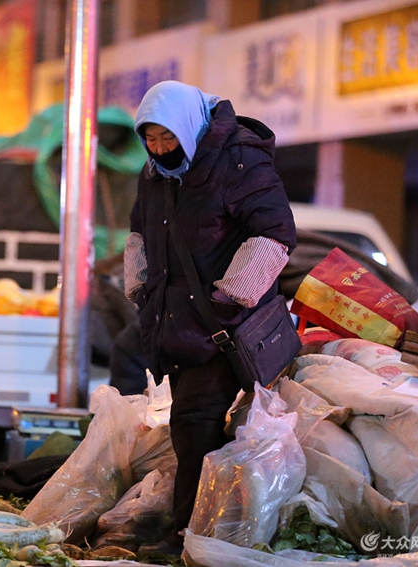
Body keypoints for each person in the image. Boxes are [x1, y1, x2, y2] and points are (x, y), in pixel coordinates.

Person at [124, 81, 297, 553]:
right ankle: (212, 529)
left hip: (227, 324)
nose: (160, 149)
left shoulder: (240, 161)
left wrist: (230, 297)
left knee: (195, 423)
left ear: (188, 126)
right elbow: (141, 228)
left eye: (168, 138)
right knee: (193, 426)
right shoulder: (155, 173)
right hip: (179, 323)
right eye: (151, 139)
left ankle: (190, 536)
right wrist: (139, 285)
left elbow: (275, 232)